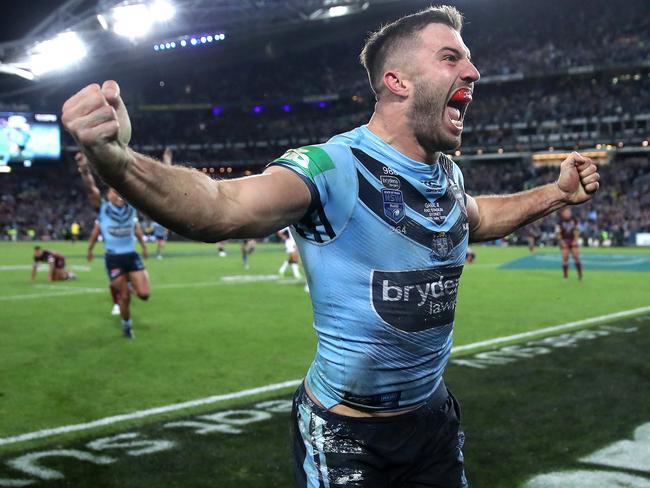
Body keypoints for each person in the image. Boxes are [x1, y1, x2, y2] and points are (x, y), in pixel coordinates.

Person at [62, 5, 600, 485]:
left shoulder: (447, 176)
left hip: (434, 422)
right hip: (347, 439)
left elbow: (476, 217)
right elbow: (220, 208)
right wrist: (117, 161)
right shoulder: (332, 166)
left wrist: (554, 194)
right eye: (450, 57)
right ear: (398, 81)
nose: (473, 71)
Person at [76, 152, 150, 338]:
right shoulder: (102, 209)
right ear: (108, 196)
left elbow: (137, 229)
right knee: (123, 296)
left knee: (144, 295)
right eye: (110, 191)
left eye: (115, 191)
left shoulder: (131, 207)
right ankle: (127, 325)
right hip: (113, 258)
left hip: (131, 255)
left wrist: (144, 245)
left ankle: (137, 280)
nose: (112, 193)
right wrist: (85, 170)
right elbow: (91, 188)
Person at [556, 207, 583, 280]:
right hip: (564, 240)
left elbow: (577, 230)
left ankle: (580, 275)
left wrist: (575, 240)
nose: (568, 214)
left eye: (569, 212)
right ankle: (565, 276)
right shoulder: (560, 221)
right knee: (565, 258)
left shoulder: (574, 220)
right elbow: (558, 233)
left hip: (572, 239)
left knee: (576, 257)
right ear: (563, 213)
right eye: (566, 212)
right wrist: (561, 242)